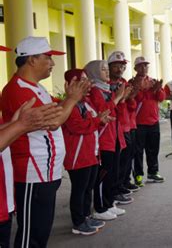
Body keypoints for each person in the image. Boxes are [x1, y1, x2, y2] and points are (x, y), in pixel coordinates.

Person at [1, 36, 89, 248]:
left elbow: (56, 113)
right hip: (33, 173)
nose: (52, 63)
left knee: (40, 232)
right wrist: (72, 99)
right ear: (31, 60)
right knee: (31, 234)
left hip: (45, 172)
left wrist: (67, 100)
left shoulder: (34, 87)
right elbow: (54, 121)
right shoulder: (17, 90)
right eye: (48, 57)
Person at [62, 69, 111, 236]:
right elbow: (78, 127)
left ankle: (86, 216)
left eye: (86, 80)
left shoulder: (86, 103)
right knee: (79, 189)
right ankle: (78, 222)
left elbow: (93, 125)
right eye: (81, 81)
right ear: (70, 85)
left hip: (91, 154)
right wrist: (97, 120)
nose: (87, 84)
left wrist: (101, 121)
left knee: (88, 187)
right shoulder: (68, 106)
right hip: (77, 156)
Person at [85, 60, 128, 221]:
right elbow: (104, 111)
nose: (107, 72)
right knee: (104, 175)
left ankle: (109, 204)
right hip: (104, 139)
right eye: (103, 69)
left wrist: (120, 97)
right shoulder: (96, 90)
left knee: (112, 173)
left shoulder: (106, 89)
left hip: (114, 135)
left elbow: (118, 112)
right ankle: (100, 207)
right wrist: (117, 97)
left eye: (106, 68)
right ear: (94, 72)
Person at [108, 51, 140, 202]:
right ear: (109, 67)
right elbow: (110, 108)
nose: (120, 69)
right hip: (114, 127)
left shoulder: (124, 83)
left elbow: (131, 106)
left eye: (122, 66)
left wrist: (131, 97)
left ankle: (121, 184)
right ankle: (114, 189)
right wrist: (121, 98)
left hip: (127, 125)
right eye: (116, 65)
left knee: (126, 158)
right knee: (116, 161)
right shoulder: (106, 85)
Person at [131, 56, 166, 186]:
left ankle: (153, 172)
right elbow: (135, 100)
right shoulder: (132, 82)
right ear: (135, 68)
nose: (144, 68)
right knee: (138, 151)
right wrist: (145, 90)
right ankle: (138, 175)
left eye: (146, 66)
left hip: (153, 121)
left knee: (153, 149)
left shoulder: (152, 81)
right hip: (138, 123)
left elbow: (161, 98)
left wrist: (157, 89)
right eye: (140, 66)